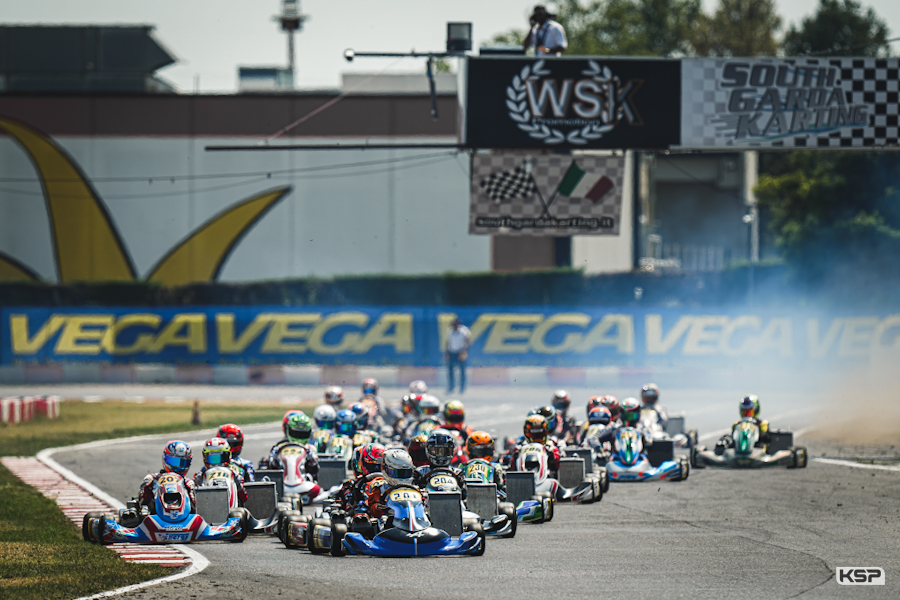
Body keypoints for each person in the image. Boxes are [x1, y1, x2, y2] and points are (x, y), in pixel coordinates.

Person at [138, 440, 196, 512]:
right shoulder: (152, 478)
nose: (177, 466)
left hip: (184, 517)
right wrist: (149, 490)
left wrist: (191, 494)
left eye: (182, 463)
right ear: (165, 458)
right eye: (174, 461)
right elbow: (141, 501)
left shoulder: (188, 483)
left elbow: (197, 507)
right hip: (154, 517)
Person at [261, 412, 320, 478]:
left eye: (303, 434)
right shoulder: (279, 448)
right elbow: (272, 465)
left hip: (304, 480)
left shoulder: (311, 449)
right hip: (282, 480)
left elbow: (315, 469)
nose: (299, 436)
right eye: (296, 433)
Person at [193, 437, 248, 505]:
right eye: (212, 459)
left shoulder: (234, 474)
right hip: (207, 509)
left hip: (233, 511)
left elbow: (244, 498)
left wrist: (239, 484)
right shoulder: (201, 476)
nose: (216, 463)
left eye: (219, 458)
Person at [412, 429, 468, 495]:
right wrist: (422, 481)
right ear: (428, 450)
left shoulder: (457, 473)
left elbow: (465, 494)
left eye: (445, 451)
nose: (441, 455)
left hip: (453, 503)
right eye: (437, 451)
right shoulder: (420, 472)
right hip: (428, 504)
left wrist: (459, 482)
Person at [444, 317, 471, 394]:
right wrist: (447, 352)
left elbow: (467, 341)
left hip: (460, 352)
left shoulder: (464, 331)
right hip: (452, 352)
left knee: (462, 370)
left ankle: (462, 387)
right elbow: (448, 342)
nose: (455, 326)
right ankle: (451, 387)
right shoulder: (450, 331)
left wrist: (465, 352)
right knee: (450, 371)